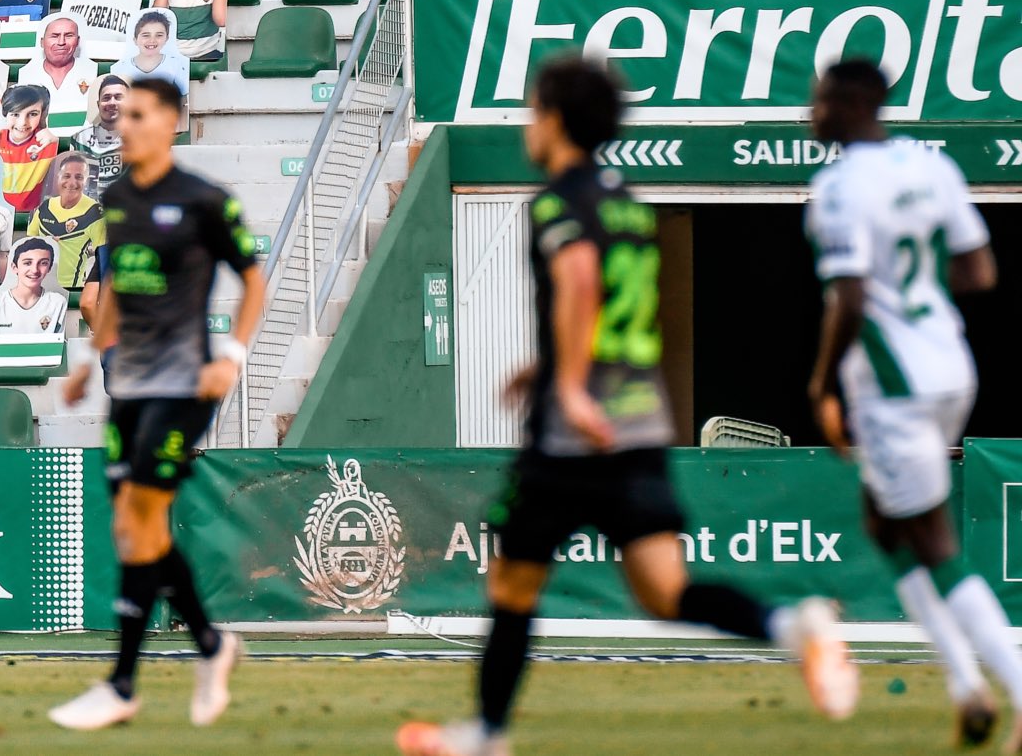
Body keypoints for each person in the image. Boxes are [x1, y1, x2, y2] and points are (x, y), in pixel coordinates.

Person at [394, 58, 854, 756]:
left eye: (531, 109)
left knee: (513, 583)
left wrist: (570, 385)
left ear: (553, 117)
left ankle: (486, 734)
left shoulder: (558, 201)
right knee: (665, 592)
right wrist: (548, 366)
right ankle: (798, 629)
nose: (527, 123)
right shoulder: (627, 202)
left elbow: (580, 279)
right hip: (637, 422)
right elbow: (617, 307)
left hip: (571, 435)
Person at [804, 59, 1022, 745]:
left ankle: (1008, 687)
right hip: (952, 366)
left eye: (817, 100)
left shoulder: (837, 188)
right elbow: (978, 268)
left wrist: (820, 382)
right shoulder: (933, 167)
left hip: (895, 388)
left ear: (846, 103)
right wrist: (920, 305)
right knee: (885, 522)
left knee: (931, 541)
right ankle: (966, 689)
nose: (810, 112)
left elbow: (852, 297)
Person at [50, 76, 265, 730]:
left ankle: (121, 684)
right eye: (122, 114)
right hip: (130, 385)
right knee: (133, 531)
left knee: (143, 514)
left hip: (184, 385)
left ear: (171, 121)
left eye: (140, 114)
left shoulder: (204, 201)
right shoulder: (116, 199)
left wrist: (233, 358)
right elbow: (115, 283)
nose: (126, 124)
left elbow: (254, 279)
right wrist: (92, 357)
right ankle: (210, 642)